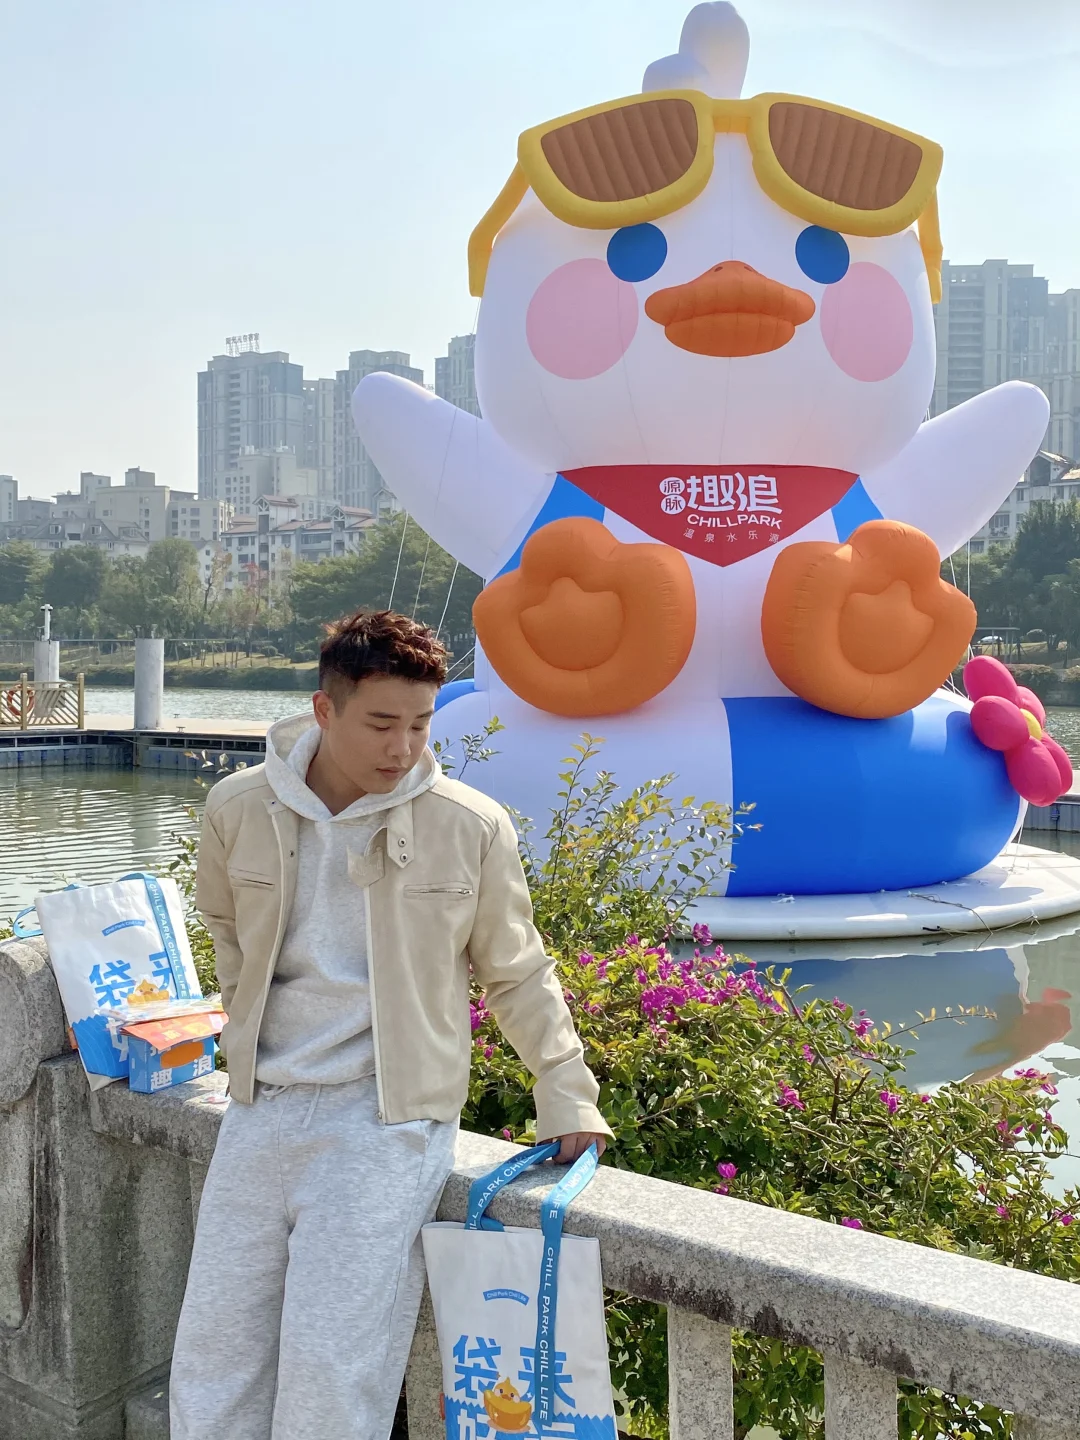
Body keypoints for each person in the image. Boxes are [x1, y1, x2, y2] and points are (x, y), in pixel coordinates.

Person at [169, 608, 611, 1440]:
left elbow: (517, 970)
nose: (403, 747)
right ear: (324, 708)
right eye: (380, 723)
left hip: (385, 1123)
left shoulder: (468, 824)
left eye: (420, 724)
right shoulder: (238, 806)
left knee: (334, 1372)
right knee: (213, 1356)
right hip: (259, 1109)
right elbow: (226, 930)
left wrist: (566, 1090)